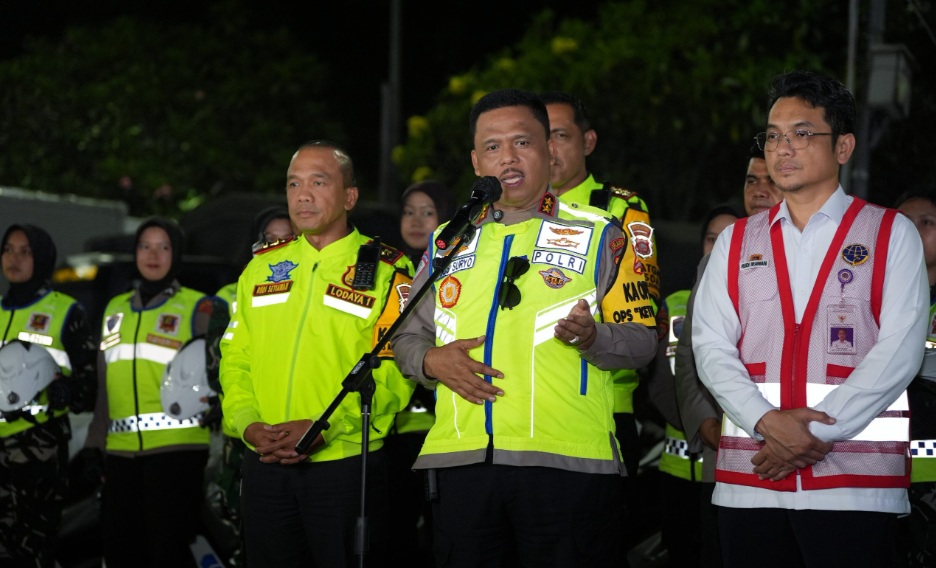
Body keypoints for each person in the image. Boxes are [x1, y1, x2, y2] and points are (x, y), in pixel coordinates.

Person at [391, 88, 658, 566]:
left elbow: (642, 342)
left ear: (548, 150)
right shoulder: (447, 240)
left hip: (567, 464)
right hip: (462, 462)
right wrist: (432, 360)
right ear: (476, 161)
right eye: (492, 147)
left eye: (523, 142)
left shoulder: (601, 232)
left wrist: (595, 337)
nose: (507, 157)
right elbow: (405, 338)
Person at [692, 70, 929, 567]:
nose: (783, 147)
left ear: (843, 147)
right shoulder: (737, 241)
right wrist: (765, 422)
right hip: (752, 481)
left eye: (802, 133)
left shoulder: (891, 233)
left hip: (854, 483)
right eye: (774, 136)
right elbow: (710, 345)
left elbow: (900, 351)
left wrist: (811, 435)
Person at [219, 140, 415, 567]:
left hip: (343, 466)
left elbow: (397, 371)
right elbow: (236, 357)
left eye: (318, 182)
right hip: (264, 464)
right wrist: (247, 424)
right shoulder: (260, 268)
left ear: (349, 196)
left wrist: (328, 427)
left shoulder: (387, 270)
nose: (302, 194)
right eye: (293, 183)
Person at [540, 91, 660, 544]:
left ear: (588, 141)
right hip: (515, 419)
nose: (548, 149)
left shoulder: (620, 209)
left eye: (561, 136)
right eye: (538, 137)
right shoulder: (501, 215)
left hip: (601, 414)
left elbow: (638, 319)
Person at [86, 217, 215, 568]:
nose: (153, 254)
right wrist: (94, 444)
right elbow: (104, 385)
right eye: (145, 246)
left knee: (168, 554)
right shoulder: (115, 310)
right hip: (121, 456)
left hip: (178, 454)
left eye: (163, 246)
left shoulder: (199, 307)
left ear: (176, 255)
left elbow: (221, 375)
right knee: (121, 552)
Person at [674, 145, 781, 567]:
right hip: (725, 447)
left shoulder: (820, 255)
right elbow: (689, 352)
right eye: (751, 181)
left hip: (799, 450)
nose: (759, 190)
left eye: (769, 180)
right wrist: (703, 420)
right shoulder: (720, 257)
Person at [648, 204, 741, 567]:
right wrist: (700, 425)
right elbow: (659, 382)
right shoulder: (673, 306)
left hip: (727, 467)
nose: (717, 248)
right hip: (677, 467)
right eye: (710, 238)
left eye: (728, 239)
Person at [0, 224, 96, 567]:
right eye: (8, 249)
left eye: (25, 251)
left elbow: (88, 387)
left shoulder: (65, 312)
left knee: (33, 551)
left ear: (41, 257)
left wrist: (64, 390)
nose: (14, 258)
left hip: (38, 452)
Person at [205, 204, 294, 567]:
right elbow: (222, 364)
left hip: (292, 432)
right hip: (244, 430)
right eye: (268, 239)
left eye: (286, 239)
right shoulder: (233, 292)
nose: (276, 246)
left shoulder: (306, 291)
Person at [386, 179, 456, 566]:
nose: (415, 220)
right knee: (394, 529)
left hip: (440, 426)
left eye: (427, 212)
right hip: (388, 431)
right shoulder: (387, 270)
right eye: (409, 211)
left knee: (439, 532)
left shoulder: (457, 269)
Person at [895, 188, 936, 567]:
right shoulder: (869, 299)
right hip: (883, 480)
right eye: (905, 223)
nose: (915, 231)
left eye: (927, 223)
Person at [399, 179, 456, 266]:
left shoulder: (456, 267)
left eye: (427, 213)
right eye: (409, 212)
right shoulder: (390, 265)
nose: (416, 223)